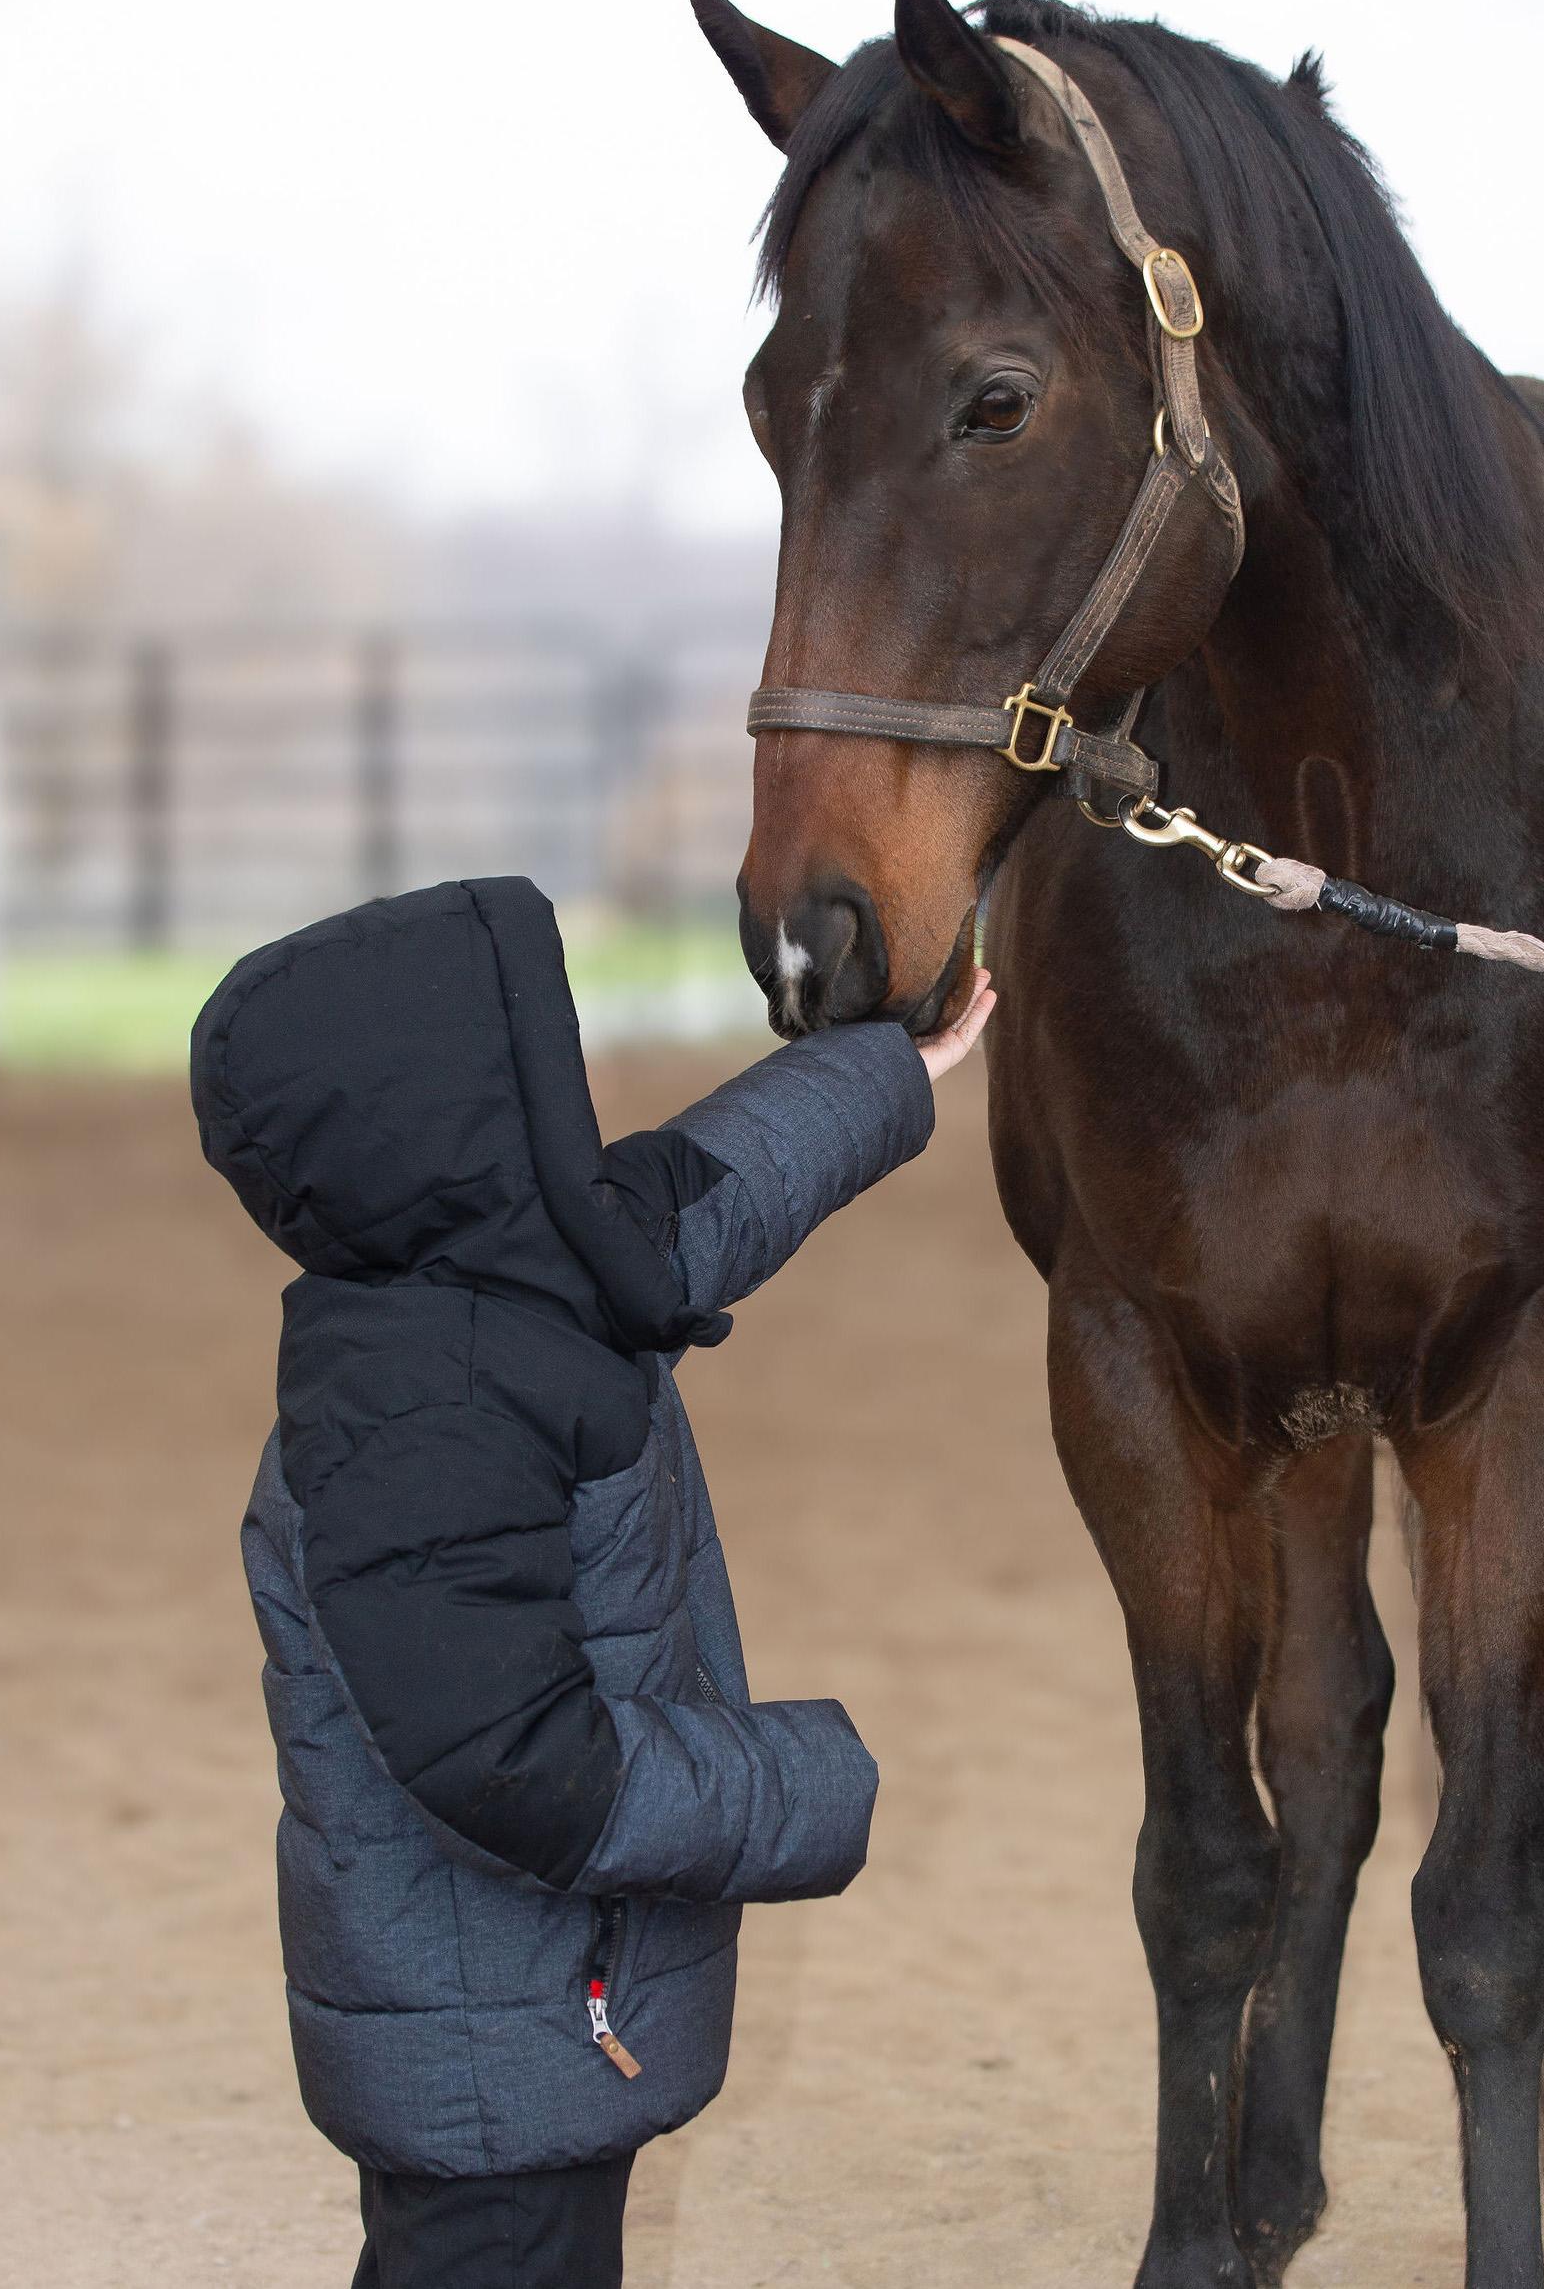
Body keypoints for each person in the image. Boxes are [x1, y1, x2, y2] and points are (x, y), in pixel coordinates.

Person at [190, 875, 993, 2289]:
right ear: (452, 1121)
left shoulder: (503, 1280)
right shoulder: (421, 1419)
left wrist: (877, 1070)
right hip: (495, 2049)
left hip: (530, 2009)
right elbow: (507, 1759)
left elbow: (694, 1195)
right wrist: (799, 1783)